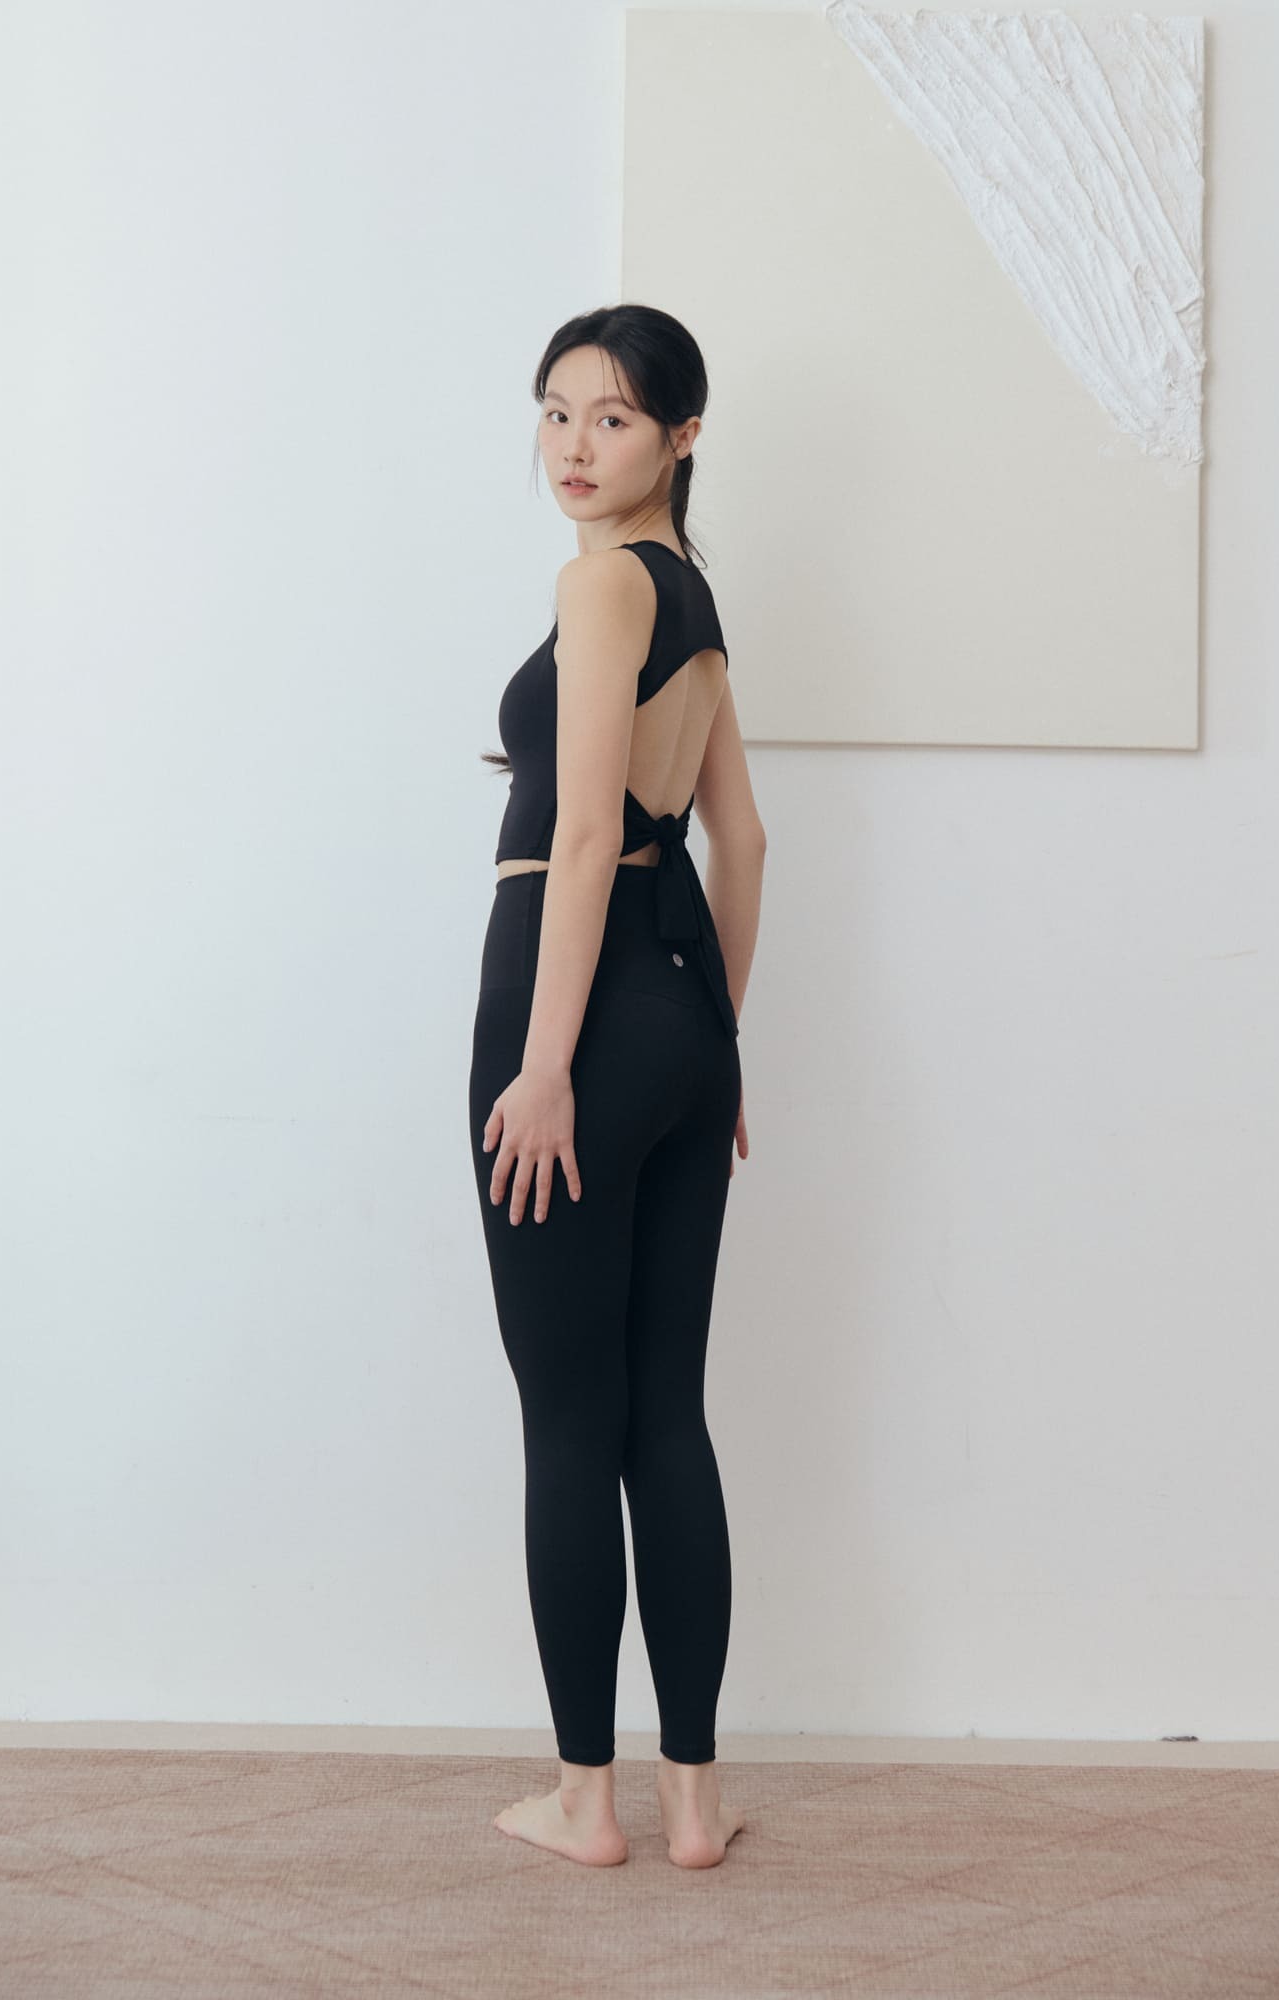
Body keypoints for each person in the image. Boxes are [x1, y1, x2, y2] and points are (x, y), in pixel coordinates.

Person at [468, 304, 766, 1869]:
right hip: (683, 1012)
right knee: (665, 1418)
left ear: (680, 436)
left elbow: (585, 834)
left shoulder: (598, 585)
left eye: (614, 418)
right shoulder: (693, 597)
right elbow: (741, 839)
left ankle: (586, 1800)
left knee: (569, 1420)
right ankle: (694, 1801)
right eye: (554, 412)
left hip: (572, 1009)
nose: (573, 447)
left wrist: (543, 1069)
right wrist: (713, 1045)